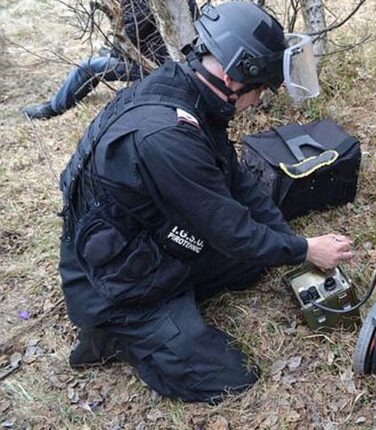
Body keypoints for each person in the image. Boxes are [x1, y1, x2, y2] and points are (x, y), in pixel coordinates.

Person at [57, 1, 353, 403]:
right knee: (229, 376)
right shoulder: (167, 138)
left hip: (149, 237)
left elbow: (238, 182)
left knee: (257, 262)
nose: (259, 100)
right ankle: (117, 331)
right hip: (117, 279)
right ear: (233, 78)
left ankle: (170, 307)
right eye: (260, 89)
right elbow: (231, 231)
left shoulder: (190, 90)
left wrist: (290, 241)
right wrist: (305, 250)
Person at [22, 0, 197, 120]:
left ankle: (55, 107)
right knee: (105, 54)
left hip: (161, 66)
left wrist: (113, 50)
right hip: (182, 60)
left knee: (88, 67)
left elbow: (129, 36)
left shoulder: (140, 3)